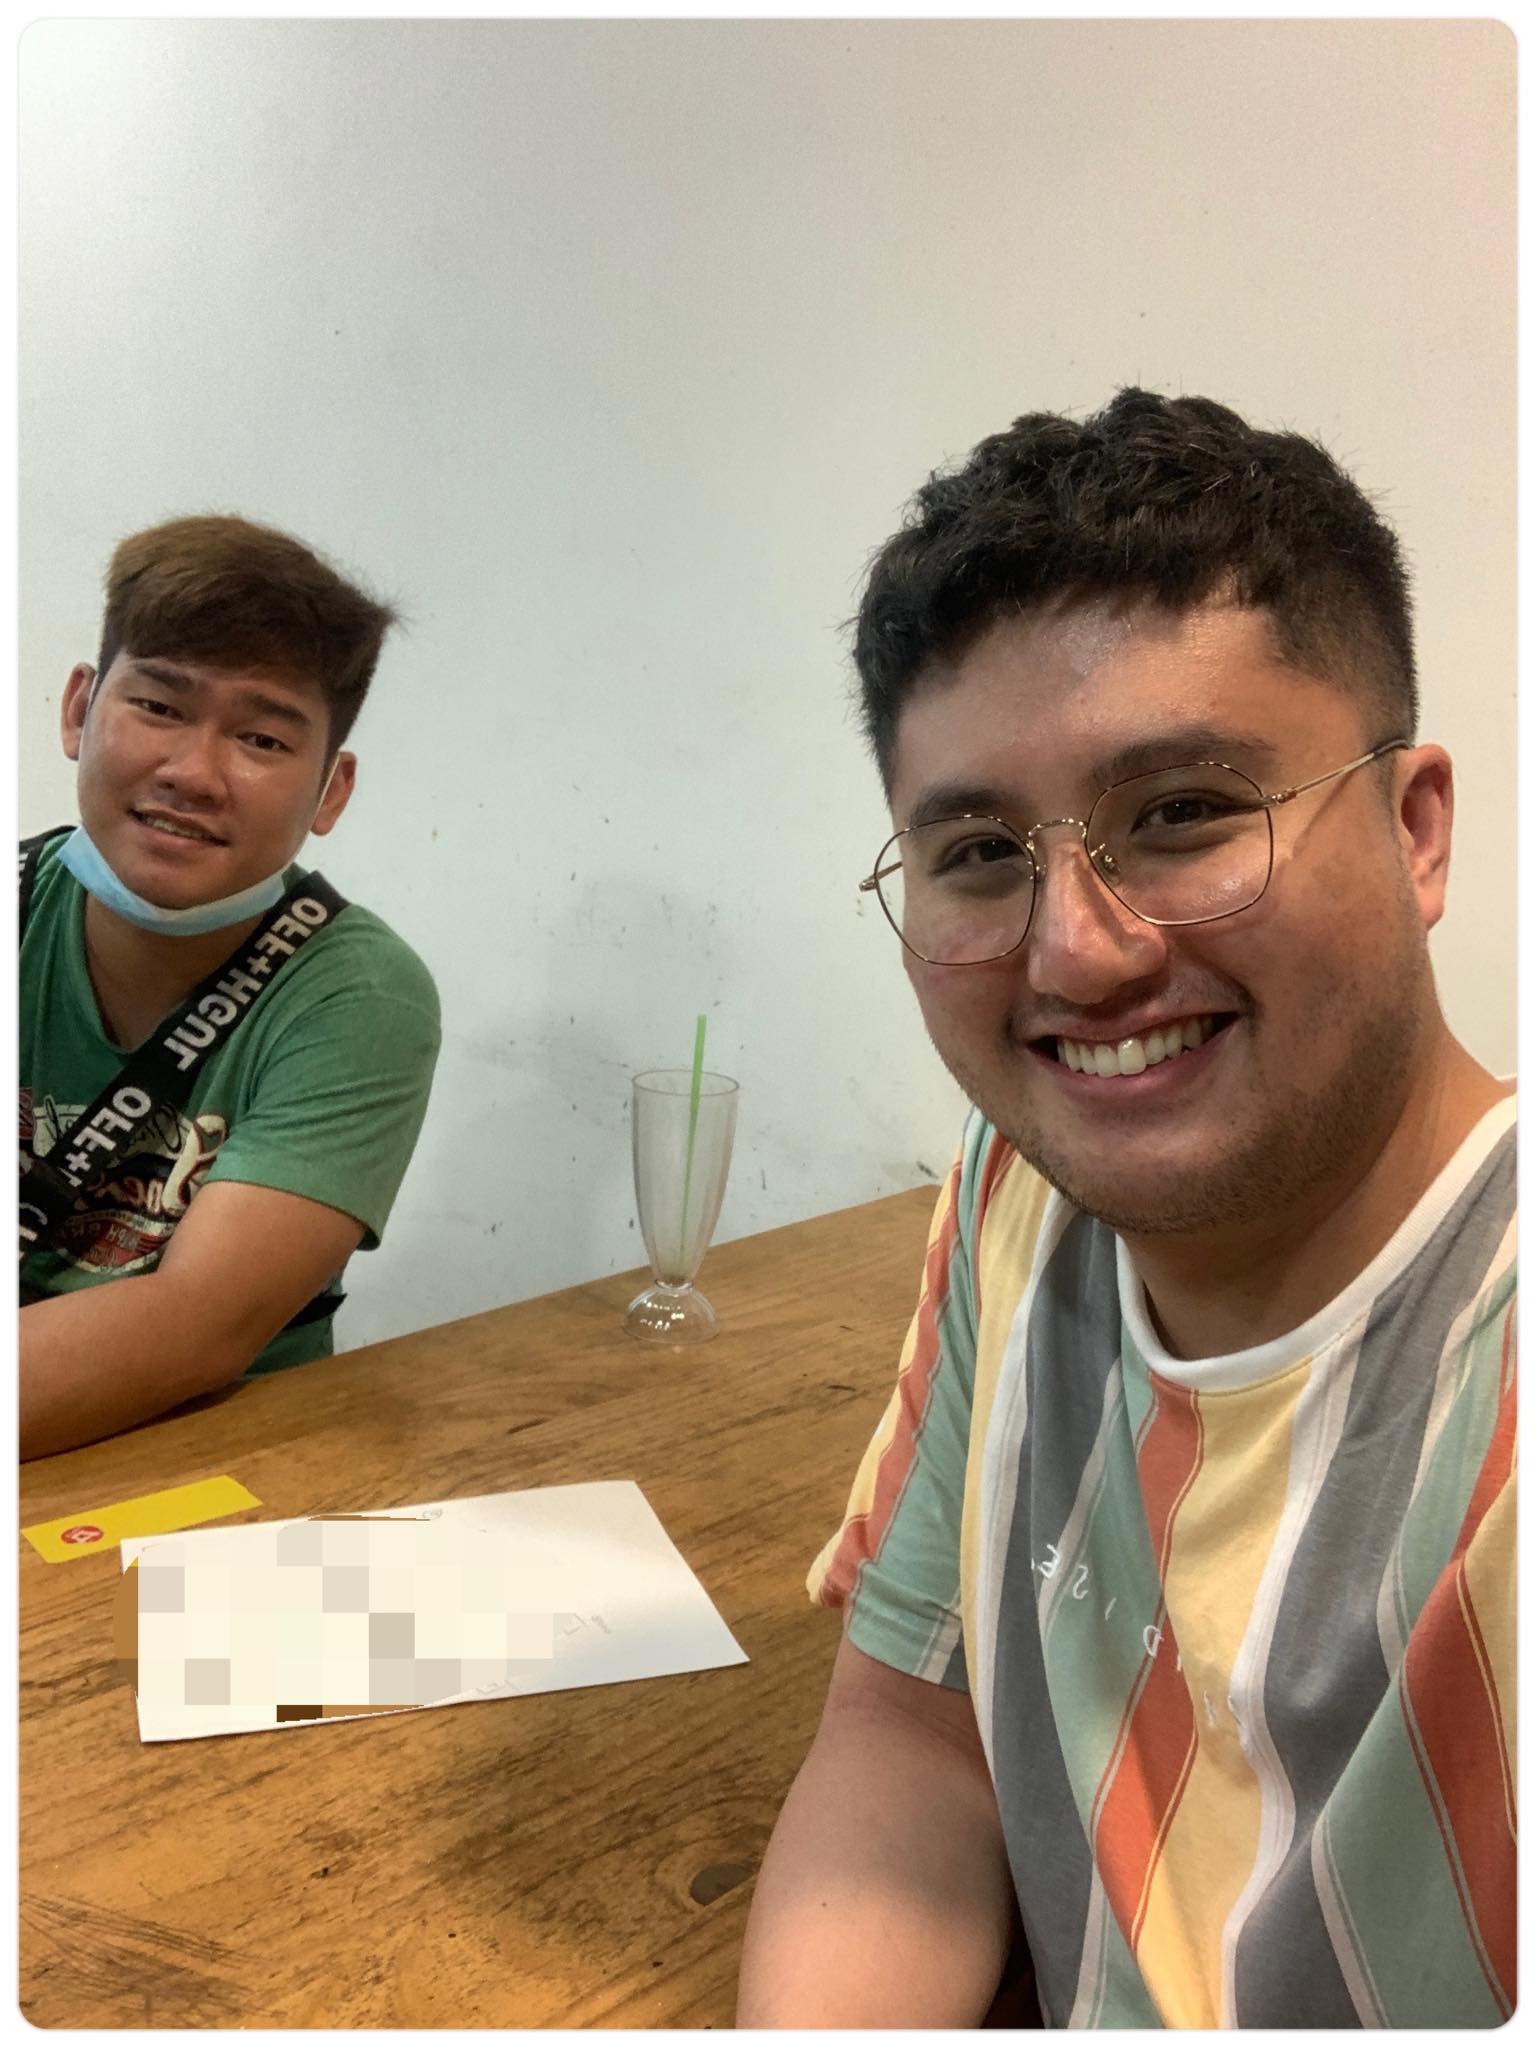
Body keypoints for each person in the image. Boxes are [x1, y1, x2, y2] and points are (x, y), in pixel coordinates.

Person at [736, 391, 1515, 2028]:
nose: (1074, 954)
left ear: (1414, 825)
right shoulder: (1027, 1183)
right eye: (975, 849)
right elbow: (916, 1732)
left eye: (1182, 814)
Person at [20, 515, 441, 1461]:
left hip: (216, 1470)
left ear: (330, 791)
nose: (193, 774)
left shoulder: (358, 995)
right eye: (159, 707)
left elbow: (193, 1328)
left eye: (259, 737)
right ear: (79, 708)